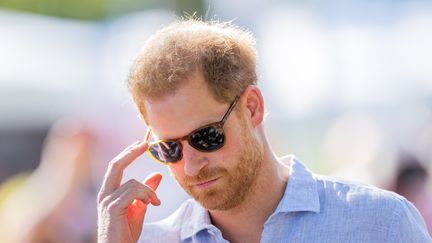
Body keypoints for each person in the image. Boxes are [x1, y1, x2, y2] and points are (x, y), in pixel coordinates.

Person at [97, 19, 432, 243]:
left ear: (252, 108)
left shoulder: (381, 223)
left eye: (206, 137)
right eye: (169, 148)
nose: (190, 165)